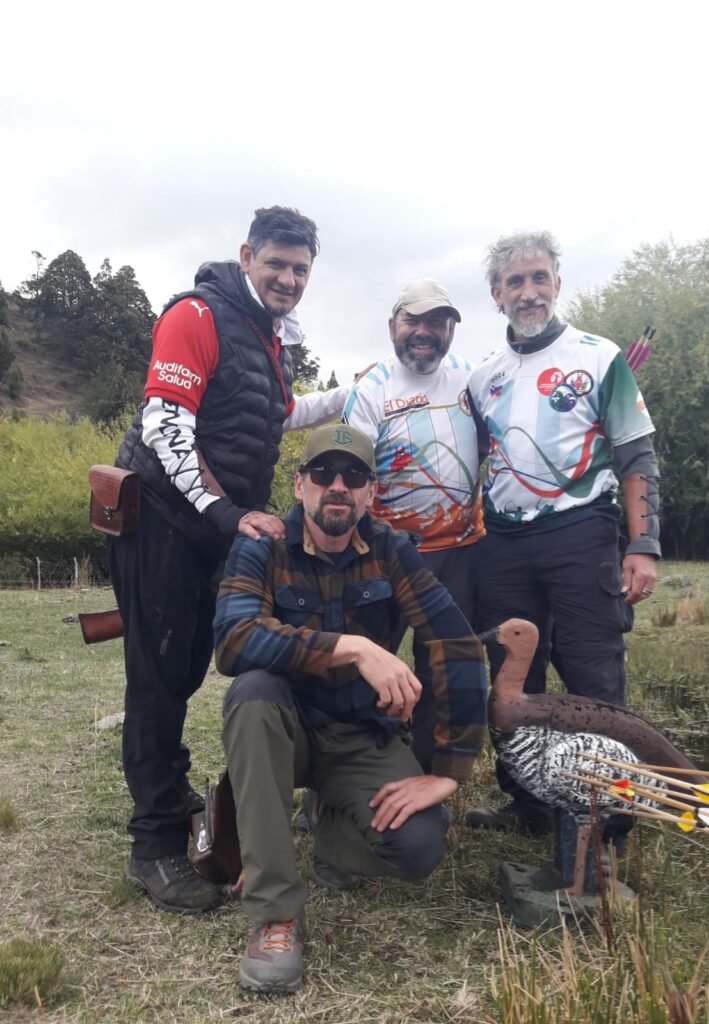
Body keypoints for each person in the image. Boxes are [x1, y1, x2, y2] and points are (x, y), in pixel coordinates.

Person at [110, 206, 349, 914]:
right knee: (158, 678)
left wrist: (355, 393)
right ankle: (153, 846)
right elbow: (166, 426)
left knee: (188, 666)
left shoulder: (266, 337)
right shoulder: (196, 316)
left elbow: (267, 413)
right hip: (160, 518)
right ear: (247, 257)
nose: (288, 279)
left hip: (208, 527)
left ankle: (171, 790)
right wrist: (224, 513)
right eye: (276, 263)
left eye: (300, 269)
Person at [213, 422, 487, 994]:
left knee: (417, 847)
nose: (337, 485)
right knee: (252, 693)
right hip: (285, 730)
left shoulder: (392, 550)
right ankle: (275, 917)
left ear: (370, 493)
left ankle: (325, 825)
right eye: (323, 473)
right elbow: (234, 640)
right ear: (300, 485)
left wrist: (449, 770)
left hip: (361, 735)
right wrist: (352, 647)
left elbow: (454, 643)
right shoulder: (261, 545)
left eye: (354, 476)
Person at [465, 230, 661, 836]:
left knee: (591, 673)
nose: (528, 292)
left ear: (557, 283)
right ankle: (530, 805)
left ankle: (607, 822)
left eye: (539, 278)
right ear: (496, 294)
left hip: (581, 533)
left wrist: (643, 545)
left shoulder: (600, 356)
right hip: (503, 542)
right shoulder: (483, 377)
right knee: (512, 674)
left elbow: (636, 455)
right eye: (515, 282)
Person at [342, 278, 483, 770]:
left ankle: (429, 776)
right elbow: (350, 474)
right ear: (392, 326)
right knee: (365, 666)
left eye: (437, 321)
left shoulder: (473, 378)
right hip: (382, 554)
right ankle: (345, 780)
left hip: (458, 552)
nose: (424, 331)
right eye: (412, 320)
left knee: (443, 670)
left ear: (451, 330)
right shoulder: (370, 389)